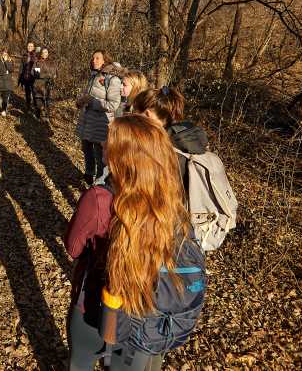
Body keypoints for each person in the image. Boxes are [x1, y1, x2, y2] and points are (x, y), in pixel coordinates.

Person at [65, 114, 192, 371]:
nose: (102, 145)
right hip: (144, 313)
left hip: (92, 305)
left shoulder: (99, 199)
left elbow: (73, 247)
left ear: (123, 155)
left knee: (80, 364)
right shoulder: (172, 200)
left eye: (109, 142)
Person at [132, 86, 208, 189]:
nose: (131, 119)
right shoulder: (186, 138)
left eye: (134, 113)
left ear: (147, 114)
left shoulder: (156, 150)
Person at [75, 50, 124, 186]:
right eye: (93, 58)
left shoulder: (112, 79)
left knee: (100, 157)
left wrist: (92, 102)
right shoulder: (93, 76)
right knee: (86, 150)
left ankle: (99, 186)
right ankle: (89, 174)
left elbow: (113, 104)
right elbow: (88, 95)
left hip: (101, 125)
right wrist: (81, 101)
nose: (94, 60)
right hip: (87, 122)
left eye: (97, 58)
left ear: (105, 61)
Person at [32, 47, 57, 119]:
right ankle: (37, 116)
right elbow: (36, 74)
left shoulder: (52, 63)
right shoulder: (37, 62)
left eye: (46, 52)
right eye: (43, 52)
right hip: (38, 86)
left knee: (48, 103)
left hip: (48, 86)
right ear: (41, 54)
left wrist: (52, 76)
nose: (45, 54)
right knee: (38, 104)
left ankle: (47, 117)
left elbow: (55, 74)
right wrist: (46, 75)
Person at [0, 48, 14, 116]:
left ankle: (3, 110)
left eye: (6, 54)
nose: (4, 55)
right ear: (1, 54)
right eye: (3, 54)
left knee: (5, 98)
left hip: (7, 83)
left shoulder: (10, 61)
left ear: (8, 54)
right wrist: (5, 72)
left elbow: (11, 69)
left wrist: (6, 62)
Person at [18, 41, 36, 110]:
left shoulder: (35, 56)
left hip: (33, 78)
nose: (30, 47)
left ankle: (36, 108)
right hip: (26, 78)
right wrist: (20, 78)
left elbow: (38, 66)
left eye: (31, 46)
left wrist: (37, 77)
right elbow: (21, 68)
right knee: (27, 93)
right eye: (29, 46)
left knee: (35, 94)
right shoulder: (24, 56)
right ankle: (28, 106)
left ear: (33, 47)